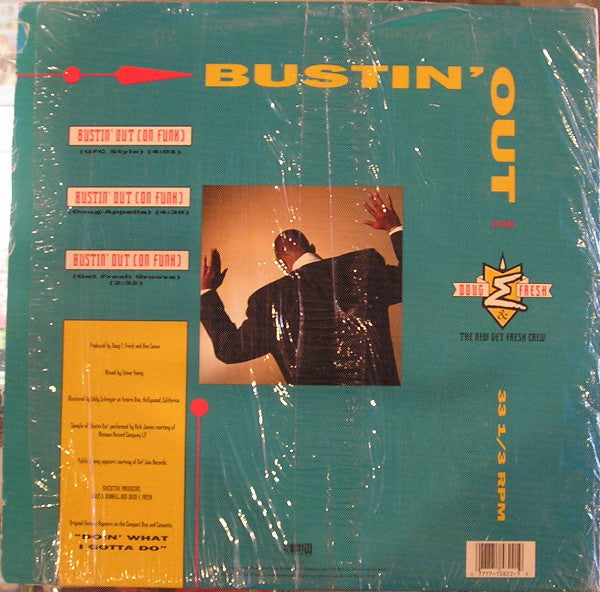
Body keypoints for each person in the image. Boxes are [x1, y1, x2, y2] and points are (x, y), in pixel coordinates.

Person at [200, 191, 403, 385]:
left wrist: (207, 292)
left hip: (316, 406)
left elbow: (231, 349)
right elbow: (413, 284)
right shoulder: (362, 267)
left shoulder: (269, 300)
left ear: (280, 262)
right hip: (379, 401)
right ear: (312, 248)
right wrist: (394, 227)